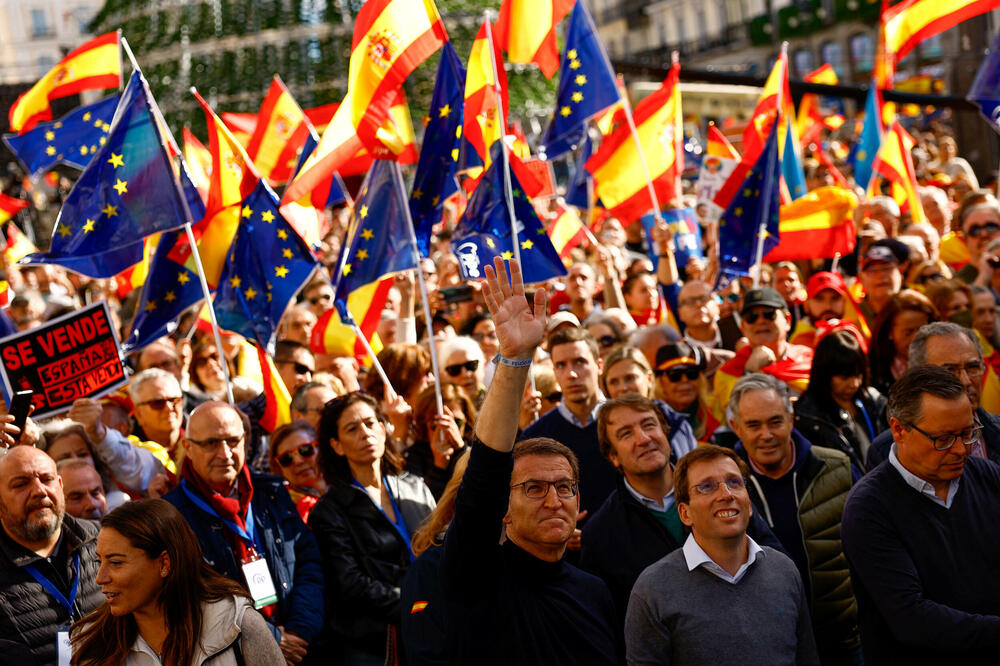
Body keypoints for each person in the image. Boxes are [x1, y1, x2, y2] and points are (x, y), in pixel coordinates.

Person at [441, 257, 620, 665]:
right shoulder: (477, 576)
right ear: (504, 510)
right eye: (534, 489)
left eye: (564, 487)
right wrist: (517, 359)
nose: (554, 501)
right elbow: (486, 473)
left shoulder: (595, 592)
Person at [842, 366, 1000, 663]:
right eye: (943, 439)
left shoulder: (988, 477)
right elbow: (910, 618)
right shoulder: (869, 508)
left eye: (967, 434)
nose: (960, 450)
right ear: (899, 429)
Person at [581, 395, 782, 626]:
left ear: (665, 432)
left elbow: (775, 563)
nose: (644, 439)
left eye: (649, 425)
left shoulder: (723, 492)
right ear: (613, 456)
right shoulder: (601, 534)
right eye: (626, 434)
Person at [624, 445, 820, 666]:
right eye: (706, 487)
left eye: (735, 482)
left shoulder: (784, 570)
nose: (726, 494)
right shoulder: (652, 590)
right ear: (685, 513)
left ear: (750, 504)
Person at [163, 401, 324, 664]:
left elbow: (309, 563)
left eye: (232, 441)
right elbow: (189, 598)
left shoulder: (272, 491)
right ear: (188, 448)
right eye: (211, 443)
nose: (225, 453)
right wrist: (268, 637)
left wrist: (298, 632)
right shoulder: (171, 515)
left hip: (300, 648)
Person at [728, 373, 860, 663]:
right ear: (735, 427)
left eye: (775, 421)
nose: (766, 434)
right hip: (769, 647)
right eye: (753, 425)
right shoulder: (723, 487)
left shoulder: (837, 469)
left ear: (791, 419)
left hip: (844, 640)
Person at [71, 499, 284, 665]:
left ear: (164, 562)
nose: (100, 578)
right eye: (99, 561)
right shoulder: (92, 645)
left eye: (116, 562)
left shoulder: (237, 625)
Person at [309, 392, 436, 665]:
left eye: (370, 423)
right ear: (337, 445)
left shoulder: (414, 487)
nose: (365, 434)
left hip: (433, 628)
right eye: (352, 429)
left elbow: (441, 551)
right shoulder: (329, 510)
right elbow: (350, 583)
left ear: (382, 427)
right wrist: (416, 604)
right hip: (375, 645)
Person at [0, 445, 103, 663]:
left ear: (60, 485)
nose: (39, 490)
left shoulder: (105, 540)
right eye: (21, 484)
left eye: (46, 479)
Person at [868, 322, 1000, 466]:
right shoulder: (888, 450)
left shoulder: (995, 430)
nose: (966, 381)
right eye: (950, 370)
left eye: (973, 367)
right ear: (919, 376)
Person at [520, 326, 619, 517]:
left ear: (599, 366)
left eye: (579, 362)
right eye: (561, 365)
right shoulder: (536, 436)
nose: (571, 374)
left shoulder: (626, 422)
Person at [795, 329, 887, 472]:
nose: (854, 384)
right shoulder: (808, 416)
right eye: (845, 377)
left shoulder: (873, 401)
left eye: (858, 375)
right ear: (824, 375)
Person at [714, 287, 814, 408]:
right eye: (752, 317)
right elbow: (733, 415)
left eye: (769, 314)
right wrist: (750, 372)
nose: (760, 321)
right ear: (743, 327)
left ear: (787, 321)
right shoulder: (728, 372)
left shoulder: (811, 360)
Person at [406, 384, 475, 500]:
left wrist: (461, 452)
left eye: (456, 422)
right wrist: (439, 468)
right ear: (424, 426)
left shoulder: (478, 449)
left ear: (466, 420)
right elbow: (424, 508)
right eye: (437, 423)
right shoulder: (413, 458)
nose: (448, 429)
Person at [867, 290, 937, 395]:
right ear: (890, 332)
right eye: (909, 332)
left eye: (923, 330)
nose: (916, 337)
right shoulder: (872, 369)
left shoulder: (943, 362)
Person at [654, 342, 722, 444]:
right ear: (661, 382)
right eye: (675, 375)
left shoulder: (717, 409)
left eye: (691, 374)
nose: (685, 380)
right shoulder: (651, 419)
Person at [269, 421, 327, 523]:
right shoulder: (279, 509)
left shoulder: (352, 483)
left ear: (321, 448)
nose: (298, 461)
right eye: (286, 458)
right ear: (278, 468)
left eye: (305, 450)